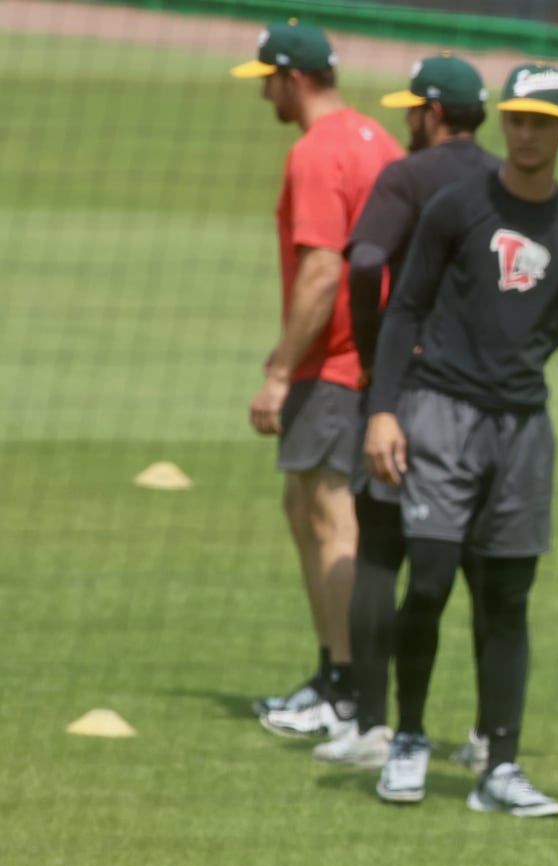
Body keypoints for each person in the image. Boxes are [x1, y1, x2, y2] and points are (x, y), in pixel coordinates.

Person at [363, 62, 558, 815]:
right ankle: (406, 740)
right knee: (429, 582)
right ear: (503, 122)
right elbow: (403, 311)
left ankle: (500, 765)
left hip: (523, 433)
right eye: (517, 118)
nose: (527, 132)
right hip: (438, 413)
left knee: (507, 599)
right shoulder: (455, 207)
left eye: (542, 120)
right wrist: (382, 409)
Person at [261, 55, 502, 771]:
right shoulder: (503, 183)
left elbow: (360, 261)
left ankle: (368, 719)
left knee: (378, 554)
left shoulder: (408, 175)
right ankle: (493, 739)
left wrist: (375, 360)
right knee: (486, 572)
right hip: (494, 408)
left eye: (413, 110)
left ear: (431, 113)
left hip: (404, 394)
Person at [231, 20, 404, 720]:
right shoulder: (377, 141)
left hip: (335, 365)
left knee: (333, 520)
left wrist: (280, 367)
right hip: (371, 360)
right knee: (308, 510)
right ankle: (337, 678)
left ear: (293, 79)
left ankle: (345, 688)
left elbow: (322, 269)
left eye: (267, 79)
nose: (264, 93)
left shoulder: (314, 153)